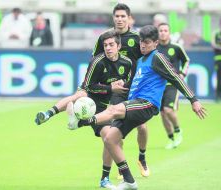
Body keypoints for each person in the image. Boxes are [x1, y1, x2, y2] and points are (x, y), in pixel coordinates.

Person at [67, 25, 207, 190]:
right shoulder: (139, 61)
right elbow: (132, 84)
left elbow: (175, 77)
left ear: (155, 43)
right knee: (110, 139)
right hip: (135, 102)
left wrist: (193, 99)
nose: (142, 45)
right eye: (141, 41)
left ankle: (80, 122)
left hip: (147, 103)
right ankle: (129, 181)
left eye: (147, 42)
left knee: (113, 110)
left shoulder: (158, 57)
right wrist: (117, 85)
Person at [35, 30, 131, 189]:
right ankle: (48, 113)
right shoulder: (97, 62)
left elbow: (126, 86)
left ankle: (104, 179)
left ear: (119, 46)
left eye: (111, 45)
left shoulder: (127, 63)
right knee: (80, 94)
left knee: (111, 138)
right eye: (105, 45)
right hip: (91, 97)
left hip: (107, 105)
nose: (108, 48)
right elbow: (89, 86)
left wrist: (120, 94)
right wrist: (110, 88)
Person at [93, 3, 150, 178]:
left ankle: (141, 157)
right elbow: (95, 62)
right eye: (116, 16)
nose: (119, 19)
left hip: (136, 88)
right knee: (115, 130)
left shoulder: (136, 37)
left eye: (122, 16)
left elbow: (145, 62)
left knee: (142, 127)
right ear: (113, 18)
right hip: (117, 91)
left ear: (128, 18)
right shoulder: (105, 37)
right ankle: (120, 165)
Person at [157, 23, 190, 149]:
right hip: (159, 86)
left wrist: (182, 73)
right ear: (158, 33)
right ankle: (171, 138)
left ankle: (178, 130)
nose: (163, 33)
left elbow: (186, 60)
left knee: (168, 110)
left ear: (169, 33)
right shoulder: (155, 48)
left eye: (165, 30)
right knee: (163, 114)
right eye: (161, 30)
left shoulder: (176, 47)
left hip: (172, 84)